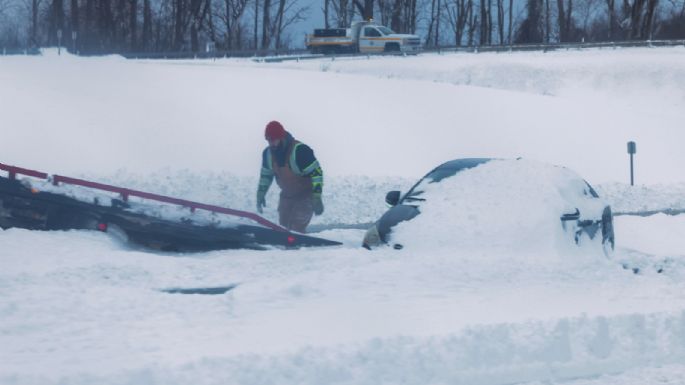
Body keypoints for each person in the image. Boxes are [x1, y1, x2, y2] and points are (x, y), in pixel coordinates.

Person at [256, 120, 324, 233]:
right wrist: (261, 194)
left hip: (305, 196)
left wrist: (317, 197)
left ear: (281, 137)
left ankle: (299, 248)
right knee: (283, 229)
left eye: (273, 139)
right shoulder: (268, 154)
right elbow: (266, 176)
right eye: (268, 140)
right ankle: (283, 250)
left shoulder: (300, 151)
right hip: (287, 196)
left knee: (295, 229)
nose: (270, 143)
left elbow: (317, 173)